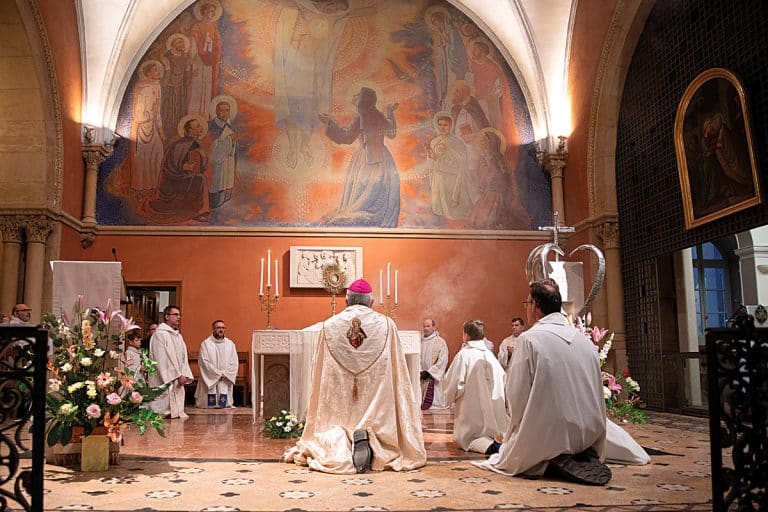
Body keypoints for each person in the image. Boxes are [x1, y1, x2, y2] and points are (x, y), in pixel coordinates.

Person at [474, 280, 611, 486]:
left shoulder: (529, 340)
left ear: (535, 306)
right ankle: (577, 453)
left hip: (548, 437)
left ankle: (548, 457)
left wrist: (515, 432)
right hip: (588, 436)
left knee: (508, 450)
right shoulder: (585, 342)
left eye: (527, 303)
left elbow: (516, 394)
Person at [284, 279, 426, 474]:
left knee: (336, 422)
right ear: (371, 302)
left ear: (346, 301)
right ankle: (373, 441)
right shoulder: (387, 324)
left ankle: (342, 441)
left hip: (340, 394)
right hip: (376, 392)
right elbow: (398, 369)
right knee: (376, 411)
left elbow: (320, 369)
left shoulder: (329, 326)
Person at [319, 87, 401, 228]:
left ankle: (363, 213)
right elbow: (392, 132)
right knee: (377, 187)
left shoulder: (362, 117)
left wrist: (330, 123)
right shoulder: (378, 115)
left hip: (366, 157)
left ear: (363, 100)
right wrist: (390, 112)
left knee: (365, 188)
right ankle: (372, 214)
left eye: (358, 96)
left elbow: (346, 137)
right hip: (382, 156)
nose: (355, 98)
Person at [442, 319, 508, 455]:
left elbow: (454, 382)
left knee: (471, 438)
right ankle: (497, 443)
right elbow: (503, 379)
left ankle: (492, 447)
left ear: (466, 335)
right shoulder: (491, 356)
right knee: (492, 432)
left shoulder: (464, 355)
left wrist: (449, 396)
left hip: (471, 409)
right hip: (493, 407)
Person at [149, 115, 211, 222]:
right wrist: (183, 167)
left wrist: (202, 157)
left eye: (200, 126)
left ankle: (197, 210)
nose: (201, 128)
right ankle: (198, 211)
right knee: (201, 179)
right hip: (175, 180)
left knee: (200, 178)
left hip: (188, 177)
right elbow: (169, 167)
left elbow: (202, 167)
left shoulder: (198, 144)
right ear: (189, 130)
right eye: (197, 126)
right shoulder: (178, 145)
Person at [426, 112, 480, 221]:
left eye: (445, 125)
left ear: (450, 126)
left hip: (452, 179)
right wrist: (431, 158)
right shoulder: (434, 142)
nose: (442, 127)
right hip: (438, 176)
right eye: (440, 124)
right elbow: (430, 162)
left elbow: (461, 164)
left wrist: (438, 160)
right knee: (439, 208)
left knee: (452, 211)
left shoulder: (457, 143)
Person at [149, 305, 193, 419]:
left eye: (179, 315)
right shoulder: (160, 335)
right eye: (175, 315)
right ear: (167, 316)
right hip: (165, 377)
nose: (179, 317)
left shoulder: (178, 336)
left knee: (176, 412)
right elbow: (161, 359)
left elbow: (184, 357)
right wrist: (177, 375)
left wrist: (183, 374)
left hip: (178, 377)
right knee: (162, 411)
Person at [129, 60, 165, 199]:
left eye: (158, 70)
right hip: (141, 129)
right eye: (155, 70)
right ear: (148, 73)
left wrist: (161, 131)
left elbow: (158, 112)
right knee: (142, 158)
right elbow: (138, 116)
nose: (158, 72)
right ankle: (140, 188)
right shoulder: (143, 90)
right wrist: (152, 113)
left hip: (153, 127)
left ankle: (153, 186)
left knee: (158, 153)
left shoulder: (157, 87)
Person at [194, 319, 238, 408]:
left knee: (224, 402)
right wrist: (217, 374)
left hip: (225, 376)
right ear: (213, 329)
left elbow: (234, 362)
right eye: (218, 328)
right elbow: (204, 362)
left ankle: (224, 404)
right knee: (208, 404)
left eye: (223, 327)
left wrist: (225, 373)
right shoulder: (206, 344)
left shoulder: (230, 344)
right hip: (211, 377)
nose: (221, 330)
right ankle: (210, 404)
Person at [207, 96, 238, 208]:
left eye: (227, 110)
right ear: (216, 111)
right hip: (216, 164)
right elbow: (211, 147)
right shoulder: (210, 126)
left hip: (227, 162)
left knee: (225, 182)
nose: (224, 113)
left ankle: (223, 197)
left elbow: (233, 149)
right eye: (221, 110)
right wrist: (229, 140)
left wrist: (231, 143)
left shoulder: (230, 126)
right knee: (216, 183)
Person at [419, 318, 449, 410]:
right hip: (421, 377)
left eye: (428, 326)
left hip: (433, 377)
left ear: (433, 327)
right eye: (424, 326)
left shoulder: (440, 342)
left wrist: (429, 372)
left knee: (435, 405)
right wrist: (420, 371)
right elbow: (416, 358)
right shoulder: (419, 341)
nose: (426, 328)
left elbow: (442, 360)